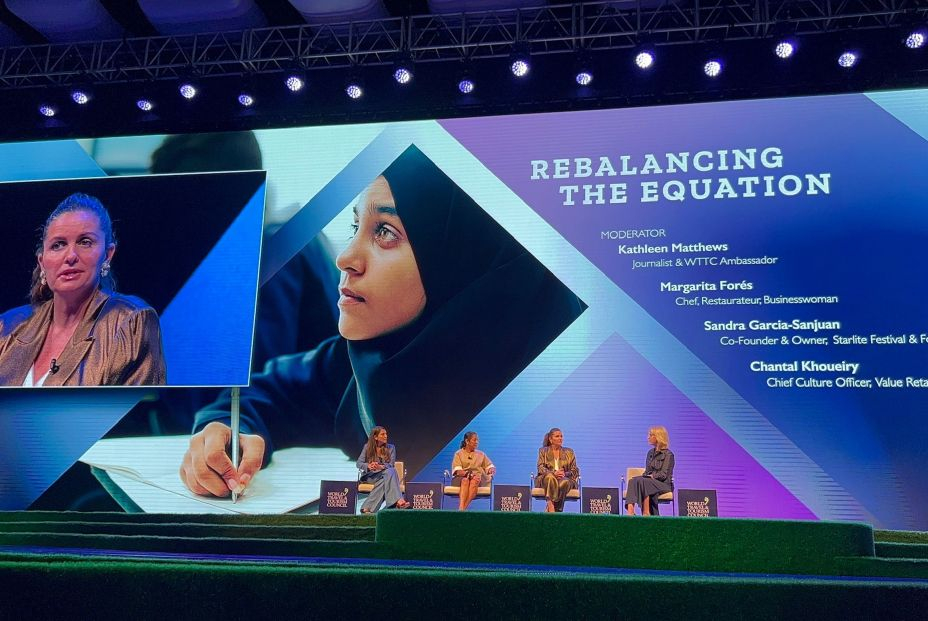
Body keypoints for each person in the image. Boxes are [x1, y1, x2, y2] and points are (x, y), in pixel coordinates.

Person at [180, 145, 584, 499]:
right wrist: (228, 432)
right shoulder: (367, 359)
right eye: (355, 226)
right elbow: (267, 393)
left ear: (459, 253)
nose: (346, 258)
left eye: (386, 232)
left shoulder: (557, 381)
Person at [0, 192, 166, 386]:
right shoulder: (7, 327)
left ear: (107, 255)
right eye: (58, 245)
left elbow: (135, 412)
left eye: (85, 242)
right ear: (42, 261)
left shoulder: (130, 322)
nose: (70, 256)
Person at [356, 426, 409, 513]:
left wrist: (381, 467)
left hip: (385, 476)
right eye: (383, 434)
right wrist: (369, 466)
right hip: (371, 477)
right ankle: (398, 501)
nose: (386, 436)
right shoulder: (367, 447)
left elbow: (391, 465)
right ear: (375, 437)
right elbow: (359, 463)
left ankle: (367, 508)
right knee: (390, 472)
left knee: (388, 473)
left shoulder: (391, 448)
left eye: (386, 434)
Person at [625, 426, 675, 516]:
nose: (648, 437)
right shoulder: (650, 453)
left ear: (659, 437)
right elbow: (647, 471)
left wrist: (651, 476)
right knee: (633, 480)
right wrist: (646, 476)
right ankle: (630, 512)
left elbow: (664, 475)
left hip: (664, 484)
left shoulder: (668, 455)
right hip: (650, 482)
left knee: (644, 481)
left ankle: (646, 512)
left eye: (651, 435)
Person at [536, 428, 579, 513]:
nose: (560, 438)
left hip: (564, 478)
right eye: (557, 436)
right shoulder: (543, 451)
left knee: (564, 482)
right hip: (546, 479)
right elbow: (540, 467)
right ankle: (551, 506)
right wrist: (554, 473)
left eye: (561, 436)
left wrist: (564, 474)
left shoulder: (569, 452)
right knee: (550, 477)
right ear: (551, 439)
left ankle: (554, 510)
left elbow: (575, 470)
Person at [451, 431, 495, 511]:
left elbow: (489, 466)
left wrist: (490, 469)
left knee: (474, 480)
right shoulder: (458, 454)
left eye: (477, 440)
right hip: (461, 478)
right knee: (465, 480)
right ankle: (462, 507)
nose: (477, 442)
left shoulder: (481, 454)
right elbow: (457, 471)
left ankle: (462, 509)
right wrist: (470, 474)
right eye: (474, 440)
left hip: (477, 480)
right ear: (467, 441)